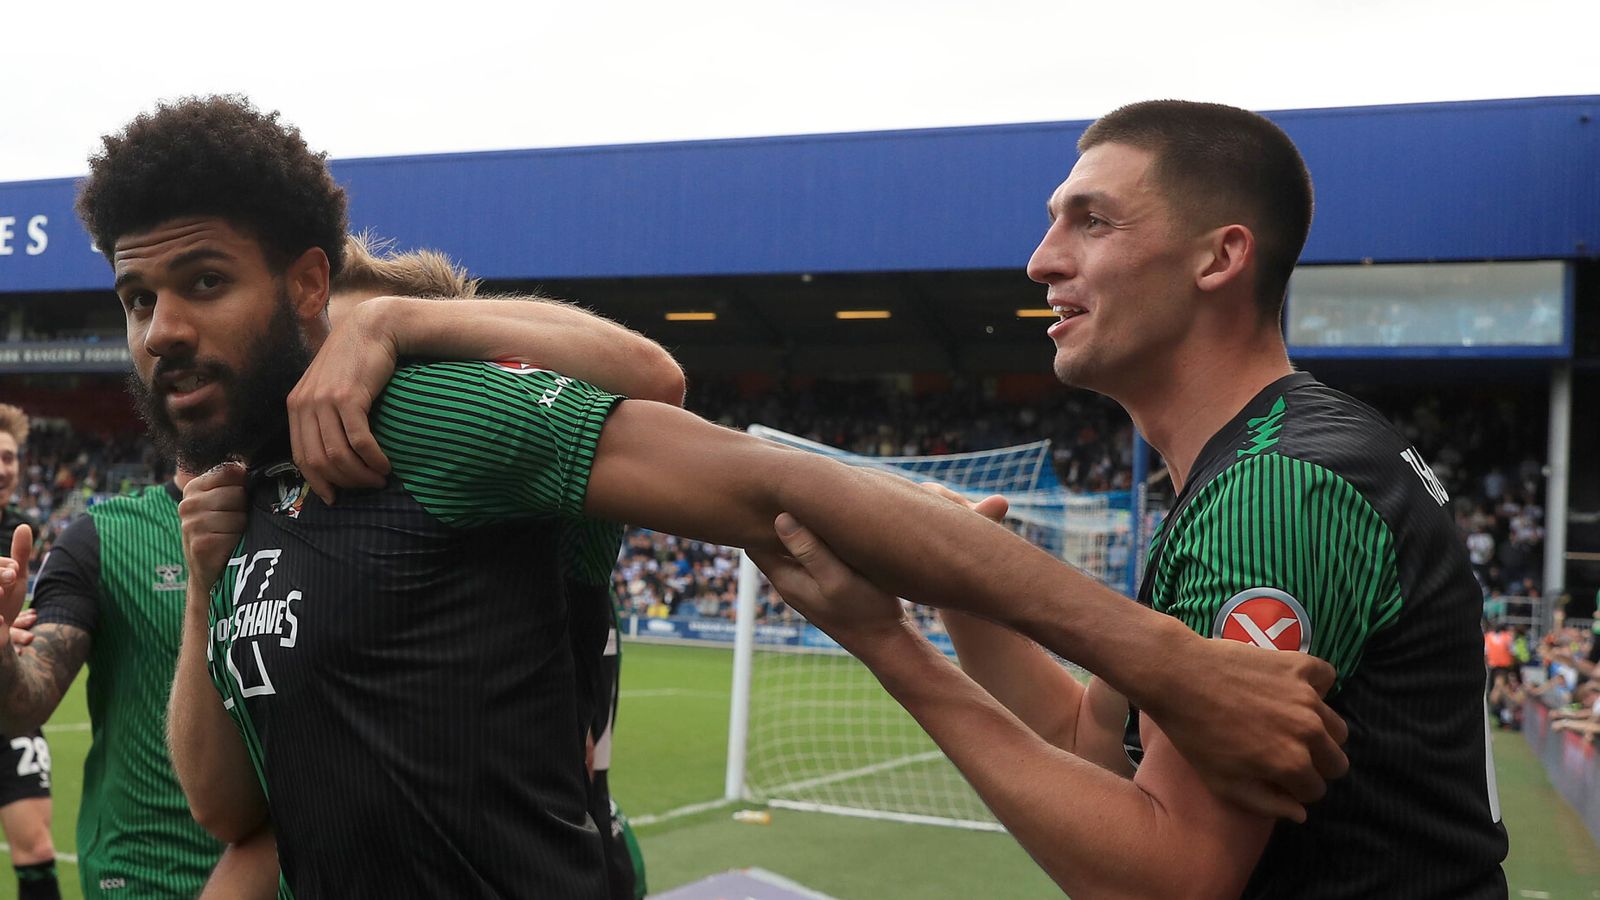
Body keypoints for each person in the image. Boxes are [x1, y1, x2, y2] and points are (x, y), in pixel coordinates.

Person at [85, 95, 1346, 895]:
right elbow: (234, 814)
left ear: (308, 286)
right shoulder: (243, 502)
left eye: (201, 285)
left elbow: (771, 483)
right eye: (140, 301)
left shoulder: (431, 414)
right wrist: (206, 576)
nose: (162, 332)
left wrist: (1165, 665)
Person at [755, 100, 1508, 897]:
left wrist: (886, 644)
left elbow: (1169, 881)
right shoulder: (1255, 464)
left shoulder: (1278, 488)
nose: (1041, 261)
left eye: (1093, 222)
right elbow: (1094, 742)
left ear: (1219, 258)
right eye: (1053, 222)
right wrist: (956, 593)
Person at [0, 229, 680, 897]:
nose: (332, 391)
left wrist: (396, 322)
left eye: (367, 366)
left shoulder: (502, 490)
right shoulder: (216, 528)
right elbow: (243, 818)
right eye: (321, 363)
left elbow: (653, 381)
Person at [0, 404, 58, 900]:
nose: (2, 468)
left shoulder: (22, 529)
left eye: (9, 457)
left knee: (38, 850)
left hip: (8, 705)